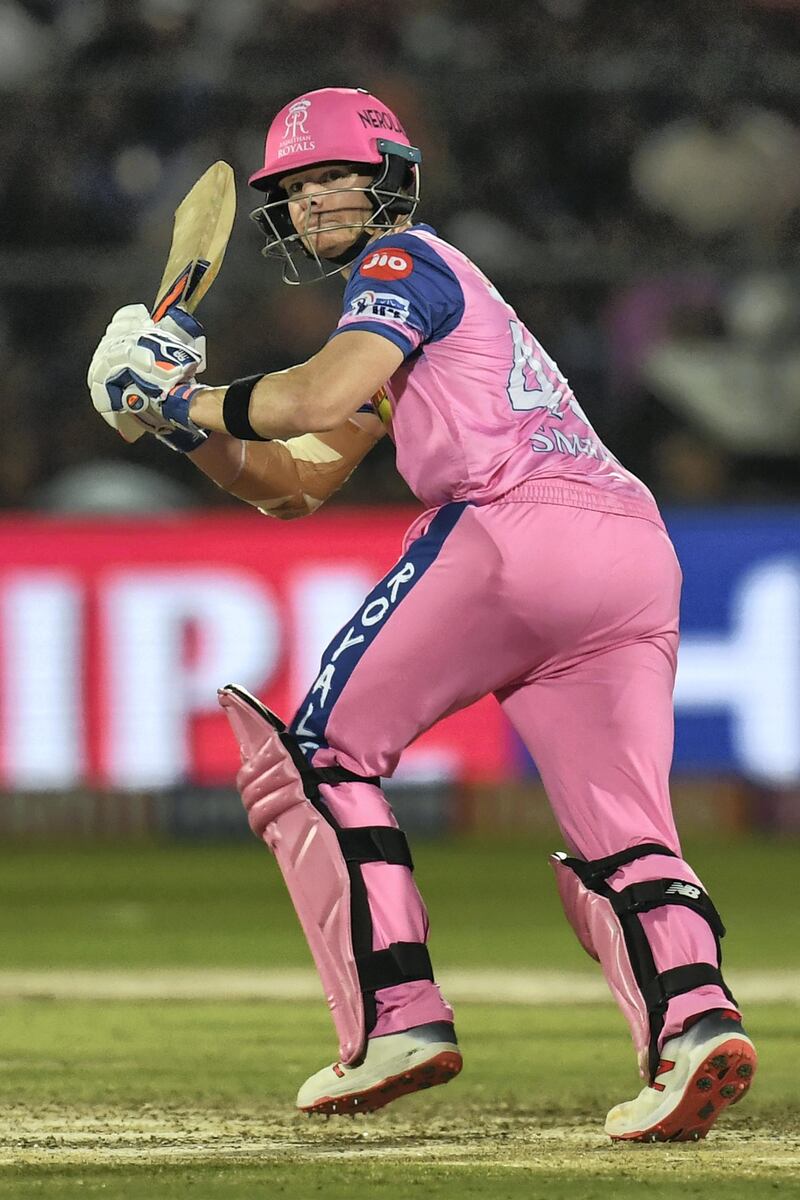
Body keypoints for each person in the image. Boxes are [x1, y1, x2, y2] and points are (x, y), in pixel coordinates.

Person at [87, 86, 757, 1141]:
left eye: (333, 177)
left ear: (389, 179)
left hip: (512, 529)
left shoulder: (405, 266)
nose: (313, 202)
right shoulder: (417, 310)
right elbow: (292, 478)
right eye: (297, 187)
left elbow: (306, 399)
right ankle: (691, 1030)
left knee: (314, 757)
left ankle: (395, 1018)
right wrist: (175, 426)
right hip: (630, 553)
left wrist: (182, 395)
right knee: (625, 837)